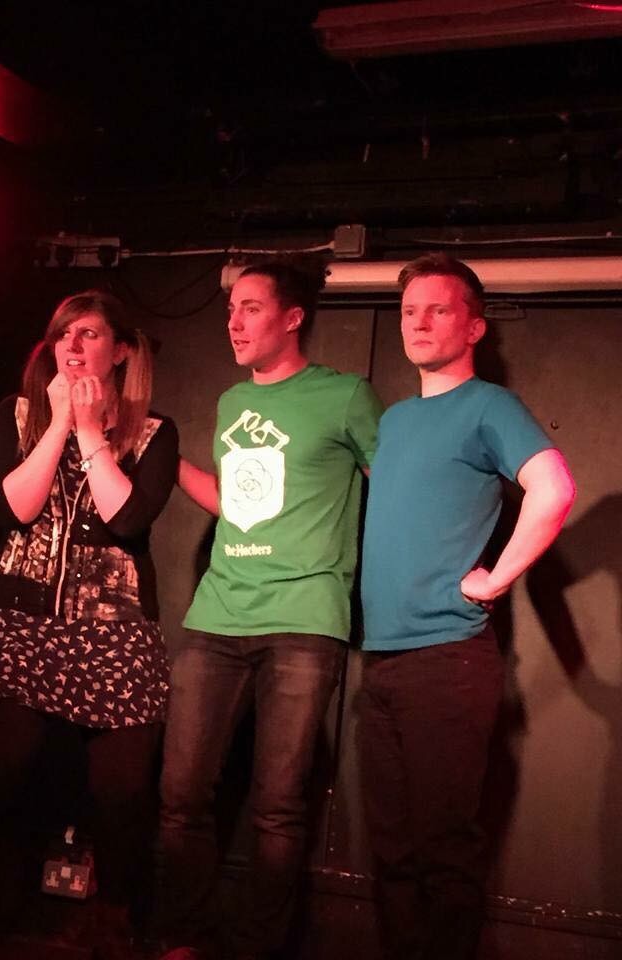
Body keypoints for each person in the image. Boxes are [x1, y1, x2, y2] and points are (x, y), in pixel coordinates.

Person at [0, 290, 178, 960]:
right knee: (0, 765)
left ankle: (113, 925)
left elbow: (126, 518)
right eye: (63, 334)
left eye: (90, 334)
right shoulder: (19, 413)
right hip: (21, 617)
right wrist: (59, 423)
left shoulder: (154, 432)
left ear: (121, 350)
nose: (73, 346)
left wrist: (91, 431)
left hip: (114, 628)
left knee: (122, 789)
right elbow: (12, 512)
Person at [157, 260, 383, 960]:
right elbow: (239, 502)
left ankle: (258, 949)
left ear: (292, 318)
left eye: (251, 307)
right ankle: (184, 940)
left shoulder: (345, 396)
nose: (234, 321)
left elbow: (394, 486)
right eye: (231, 308)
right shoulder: (232, 402)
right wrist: (164, 458)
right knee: (180, 797)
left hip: (303, 620)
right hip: (218, 615)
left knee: (278, 806)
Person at [358, 253, 576, 960]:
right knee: (391, 852)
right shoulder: (395, 421)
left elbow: (555, 488)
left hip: (446, 658)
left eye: (438, 309)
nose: (418, 322)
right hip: (382, 659)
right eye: (408, 311)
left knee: (442, 849)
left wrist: (497, 577)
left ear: (475, 326)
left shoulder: (489, 406)